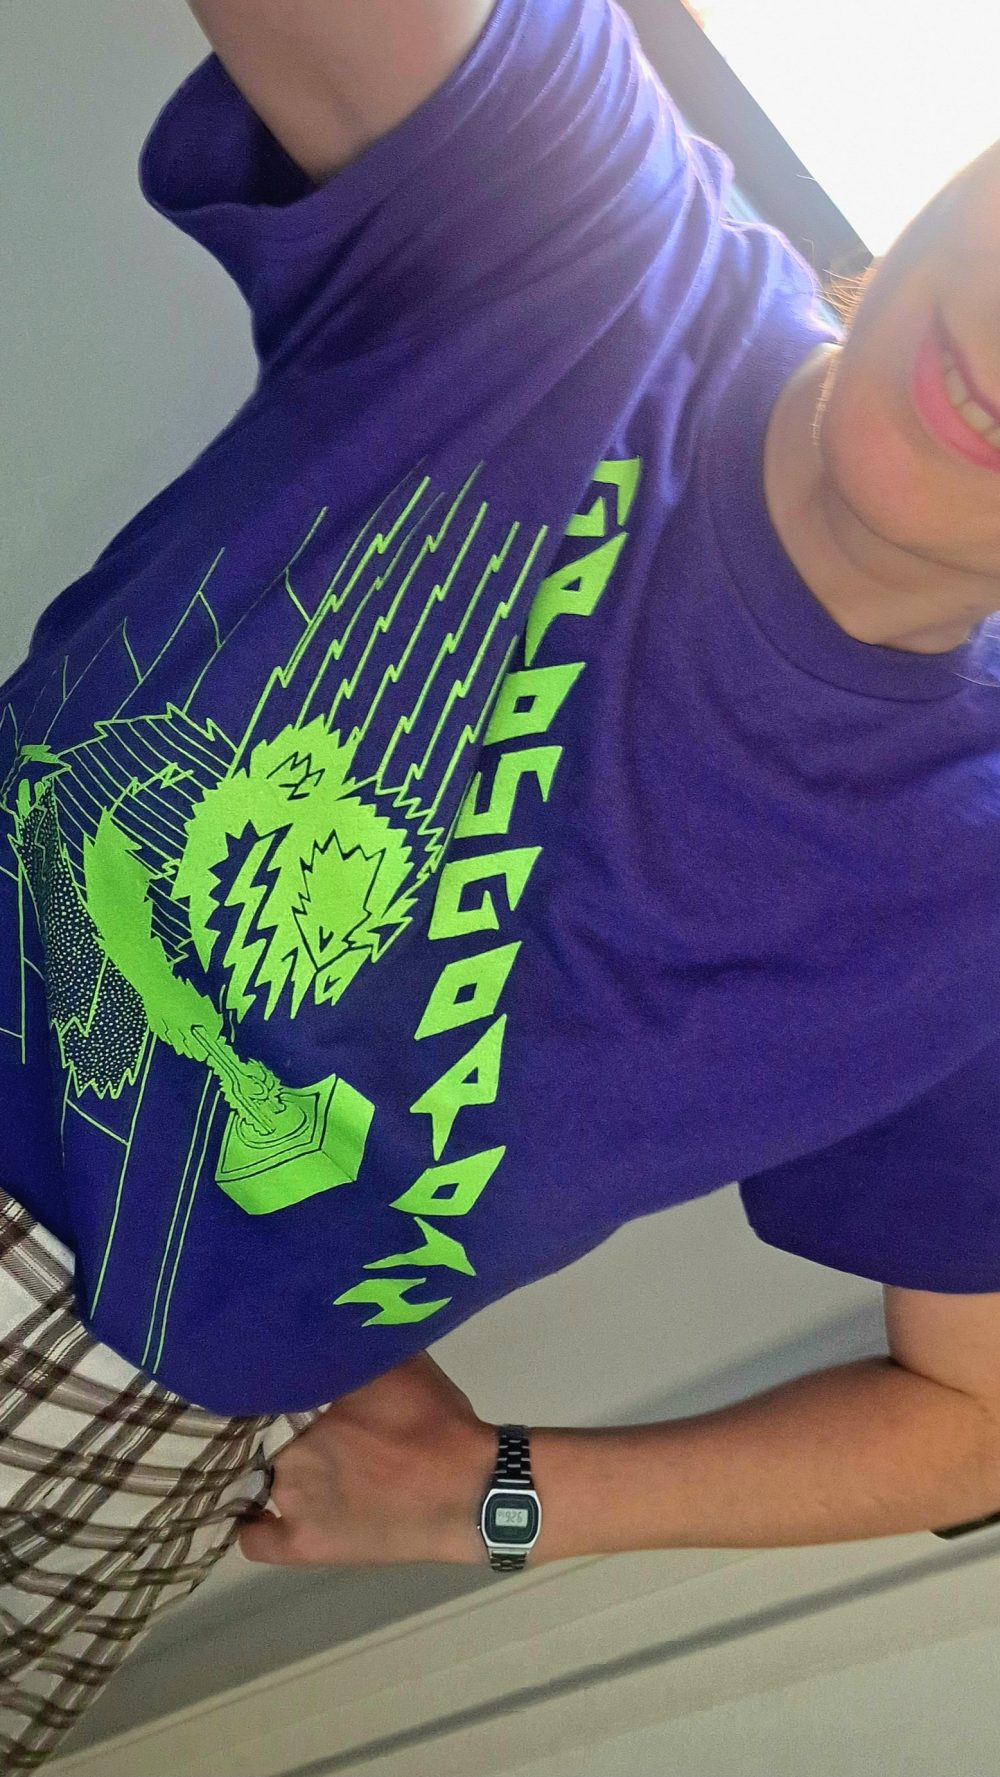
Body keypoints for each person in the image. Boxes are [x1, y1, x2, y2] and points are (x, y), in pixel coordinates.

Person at [5, 0, 1000, 1766]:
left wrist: (494, 1497)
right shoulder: (580, 216)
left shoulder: (974, 905)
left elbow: (973, 1420)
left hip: (119, 1435)